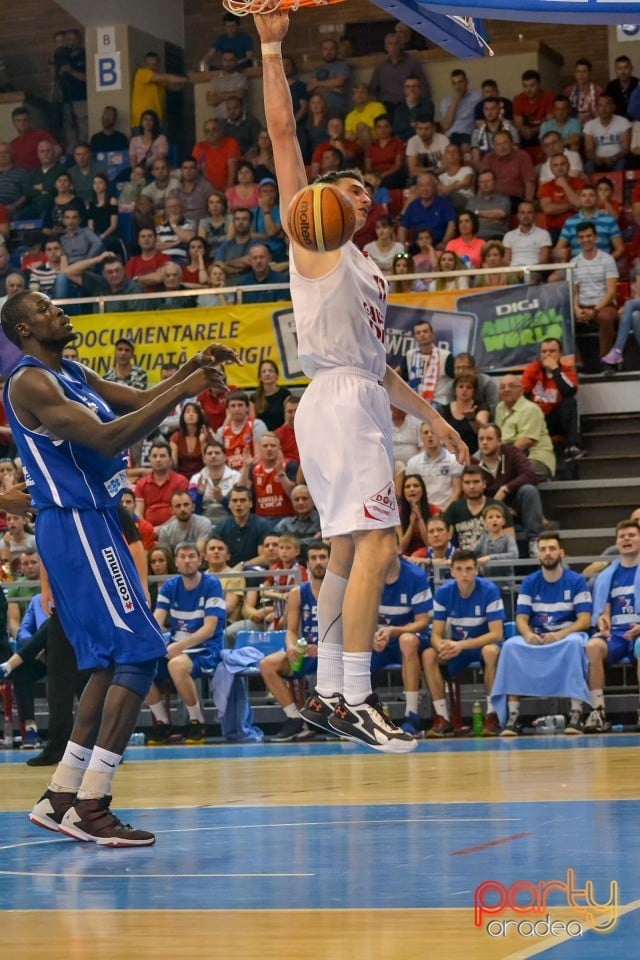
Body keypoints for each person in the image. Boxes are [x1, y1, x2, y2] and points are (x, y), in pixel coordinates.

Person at [254, 8, 466, 753]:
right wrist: (273, 44)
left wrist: (435, 418)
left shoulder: (368, 267)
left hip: (361, 396)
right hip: (338, 399)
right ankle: (353, 696)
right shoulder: (314, 244)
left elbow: (383, 368)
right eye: (344, 190)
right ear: (320, 203)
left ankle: (328, 694)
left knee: (350, 551)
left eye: (362, 195)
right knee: (380, 549)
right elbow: (284, 139)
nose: (358, 199)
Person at [1, 289, 234, 845]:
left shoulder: (70, 369)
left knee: (109, 660)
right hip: (77, 523)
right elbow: (110, 434)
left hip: (93, 520)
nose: (60, 310)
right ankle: (93, 803)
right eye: (45, 309)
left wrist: (190, 372)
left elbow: (136, 400)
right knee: (140, 651)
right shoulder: (30, 381)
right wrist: (188, 391)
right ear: (25, 331)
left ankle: (62, 795)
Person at [491, 533, 591, 736]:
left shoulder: (577, 581)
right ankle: (513, 717)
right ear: (538, 555)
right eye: (543, 549)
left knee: (573, 644)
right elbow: (521, 618)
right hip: (539, 637)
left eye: (552, 548)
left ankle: (576, 713)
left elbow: (585, 620)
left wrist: (561, 634)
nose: (548, 553)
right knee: (511, 646)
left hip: (566, 636)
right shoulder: (530, 582)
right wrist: (527, 634)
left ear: (561, 552)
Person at [145, 541, 226, 745]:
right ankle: (163, 724)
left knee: (177, 664)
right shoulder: (170, 586)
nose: (187, 561)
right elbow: (157, 619)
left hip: (206, 649)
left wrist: (178, 647)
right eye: (182, 556)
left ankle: (197, 722)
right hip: (176, 648)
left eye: (192, 556)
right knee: (138, 664)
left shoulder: (212, 584)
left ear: (200, 559)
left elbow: (209, 628)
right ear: (177, 561)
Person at [424, 549, 504, 736]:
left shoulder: (490, 590)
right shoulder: (443, 593)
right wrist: (442, 646)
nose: (464, 574)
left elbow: (496, 634)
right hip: (457, 647)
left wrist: (460, 645)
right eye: (459, 569)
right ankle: (442, 717)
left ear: (476, 570)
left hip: (482, 646)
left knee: (490, 652)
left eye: (469, 569)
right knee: (428, 655)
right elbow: (435, 634)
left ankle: (492, 715)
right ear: (452, 571)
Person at [260, 539, 330, 742]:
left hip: (335, 654)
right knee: (267, 665)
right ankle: (294, 720)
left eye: (323, 557)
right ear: (307, 564)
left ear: (330, 561)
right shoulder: (297, 593)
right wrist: (292, 646)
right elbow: (290, 630)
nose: (318, 562)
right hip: (308, 651)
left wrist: (326, 648)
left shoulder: (342, 590)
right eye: (314, 558)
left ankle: (349, 720)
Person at [370, 540, 433, 736]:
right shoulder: (369, 575)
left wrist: (392, 631)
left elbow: (423, 621)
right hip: (380, 638)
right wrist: (372, 636)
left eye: (387, 547)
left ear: (398, 549)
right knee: (356, 645)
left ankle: (411, 714)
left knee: (407, 641)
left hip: (410, 636)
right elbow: (360, 617)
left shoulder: (415, 575)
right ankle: (367, 714)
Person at [584, 519, 640, 733]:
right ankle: (597, 711)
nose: (626, 539)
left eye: (632, 535)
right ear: (616, 543)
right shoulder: (608, 574)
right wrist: (602, 619)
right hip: (616, 632)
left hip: (639, 631)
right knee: (592, 647)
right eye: (622, 536)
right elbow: (604, 606)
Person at [474, 423, 546, 547]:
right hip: (490, 510)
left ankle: (535, 541)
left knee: (529, 490)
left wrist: (505, 489)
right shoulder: (474, 462)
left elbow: (531, 474)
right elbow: (473, 493)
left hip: (516, 505)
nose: (484, 442)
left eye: (489, 439)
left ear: (499, 441)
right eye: (481, 439)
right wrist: (499, 508)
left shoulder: (511, 453)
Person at [521, 338, 585, 462]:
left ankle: (572, 446)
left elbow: (570, 391)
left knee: (570, 401)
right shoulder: (533, 369)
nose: (548, 354)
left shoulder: (567, 371)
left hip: (557, 419)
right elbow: (521, 394)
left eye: (552, 351)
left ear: (560, 354)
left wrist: (555, 369)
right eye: (544, 351)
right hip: (537, 419)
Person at [572, 221, 619, 359]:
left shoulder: (607, 259)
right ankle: (576, 363)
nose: (585, 240)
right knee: (563, 317)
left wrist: (595, 310)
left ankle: (606, 360)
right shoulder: (574, 262)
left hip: (604, 305)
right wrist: (576, 309)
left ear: (596, 237)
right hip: (582, 305)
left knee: (605, 317)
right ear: (578, 239)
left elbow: (611, 292)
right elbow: (575, 292)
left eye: (588, 236)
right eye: (581, 237)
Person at [495, 375, 556, 481]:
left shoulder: (531, 409)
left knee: (504, 473)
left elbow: (525, 442)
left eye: (511, 386)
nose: (506, 389)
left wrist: (500, 459)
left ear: (521, 390)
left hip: (535, 458)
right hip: (509, 455)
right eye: (502, 387)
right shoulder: (500, 408)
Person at [442, 465, 513, 550]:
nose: (472, 486)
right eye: (467, 482)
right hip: (463, 560)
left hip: (493, 561)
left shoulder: (498, 506)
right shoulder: (454, 508)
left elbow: (510, 544)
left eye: (476, 482)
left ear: (484, 484)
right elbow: (441, 537)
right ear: (462, 485)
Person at [405, 422, 463, 513]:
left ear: (440, 435)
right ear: (421, 437)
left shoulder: (454, 459)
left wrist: (444, 513)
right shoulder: (413, 463)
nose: (429, 435)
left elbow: (457, 491)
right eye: (426, 432)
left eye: (433, 432)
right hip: (423, 511)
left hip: (447, 510)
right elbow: (409, 492)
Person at [135, 440, 190, 534]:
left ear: (170, 460)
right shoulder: (141, 483)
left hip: (175, 530)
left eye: (162, 456)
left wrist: (160, 530)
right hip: (147, 532)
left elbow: (181, 511)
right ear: (150, 460)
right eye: (154, 456)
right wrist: (147, 530)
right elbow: (138, 513)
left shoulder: (181, 481)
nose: (158, 459)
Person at [189, 438, 240, 524]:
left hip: (230, 522)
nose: (213, 456)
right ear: (204, 458)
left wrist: (222, 500)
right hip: (203, 522)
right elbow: (193, 511)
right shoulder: (196, 479)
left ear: (224, 457)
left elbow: (240, 509)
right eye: (209, 453)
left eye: (217, 453)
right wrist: (200, 495)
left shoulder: (236, 477)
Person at [583, 95, 631, 173]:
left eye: (607, 105)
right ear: (596, 108)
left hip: (618, 159)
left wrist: (614, 158)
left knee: (623, 163)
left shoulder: (623, 122)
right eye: (600, 105)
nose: (603, 109)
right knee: (589, 166)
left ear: (613, 107)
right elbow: (589, 151)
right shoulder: (589, 125)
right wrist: (597, 159)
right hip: (598, 160)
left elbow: (625, 149)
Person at [470, 504, 519, 579]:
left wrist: (490, 557)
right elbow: (471, 552)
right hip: (487, 582)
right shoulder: (484, 538)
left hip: (505, 584)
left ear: (503, 521)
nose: (494, 519)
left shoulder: (508, 539)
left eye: (498, 517)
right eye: (490, 517)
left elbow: (514, 555)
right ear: (485, 522)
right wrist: (455, 558)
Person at [502, 201, 551, 273]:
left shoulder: (543, 234)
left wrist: (527, 271)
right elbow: (506, 260)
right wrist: (516, 271)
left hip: (534, 272)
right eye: (522, 213)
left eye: (529, 212)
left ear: (535, 215)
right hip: (513, 271)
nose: (526, 216)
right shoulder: (509, 235)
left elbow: (544, 261)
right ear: (518, 215)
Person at [169, 401, 212, 479]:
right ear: (183, 417)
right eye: (188, 412)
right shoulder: (176, 437)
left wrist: (203, 442)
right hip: (181, 477)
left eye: (194, 412)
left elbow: (208, 463)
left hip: (203, 476)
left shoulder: (207, 435)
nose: (191, 414)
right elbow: (174, 465)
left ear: (199, 416)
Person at [396, 473, 435, 556]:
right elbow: (401, 549)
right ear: (403, 492)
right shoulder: (397, 515)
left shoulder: (434, 511)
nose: (412, 489)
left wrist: (420, 519)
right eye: (407, 487)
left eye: (416, 486)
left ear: (423, 490)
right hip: (407, 558)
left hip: (429, 556)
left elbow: (430, 544)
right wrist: (411, 524)